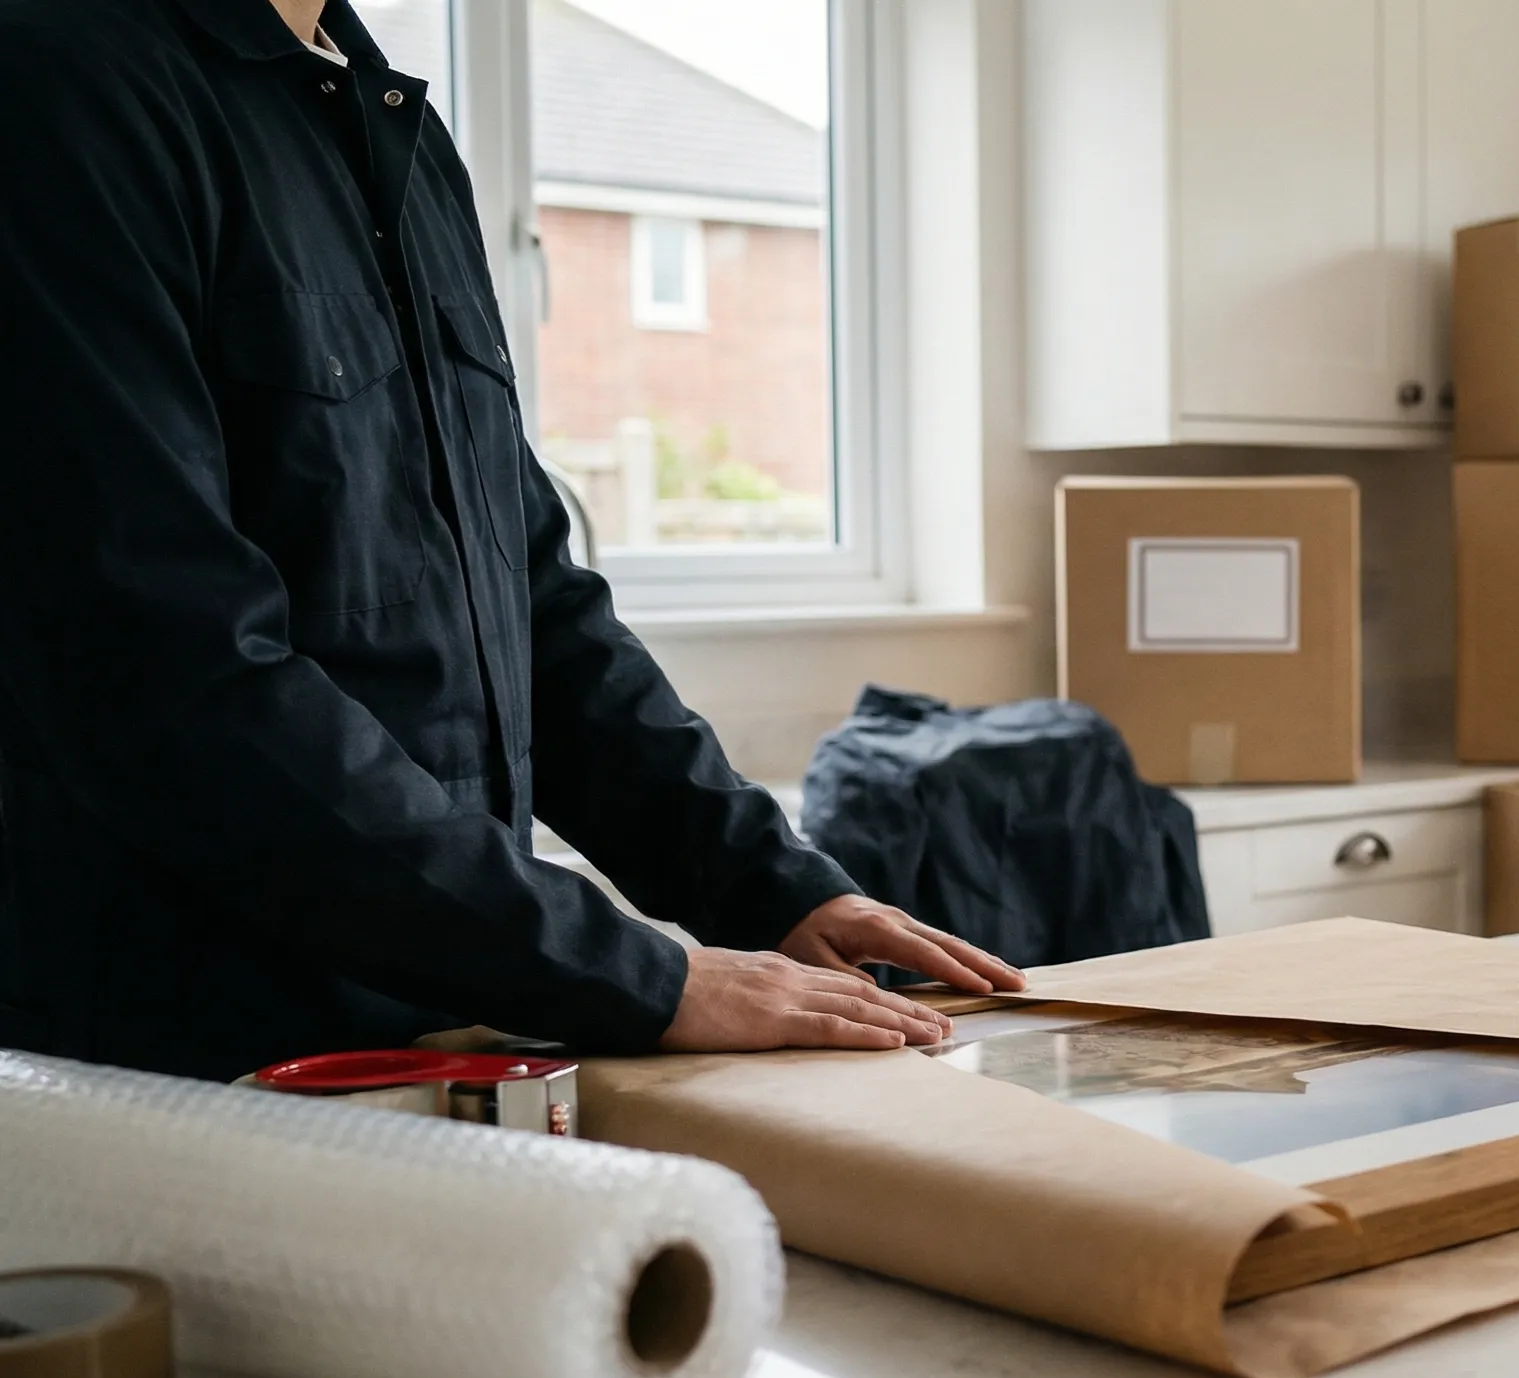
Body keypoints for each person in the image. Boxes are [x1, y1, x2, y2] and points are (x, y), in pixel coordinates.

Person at [0, 0, 1025, 1081]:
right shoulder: (59, 82)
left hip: (444, 1021)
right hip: (187, 1061)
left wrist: (774, 889)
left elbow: (532, 599)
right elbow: (165, 673)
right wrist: (640, 975)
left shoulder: (386, 123)